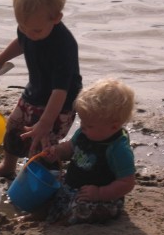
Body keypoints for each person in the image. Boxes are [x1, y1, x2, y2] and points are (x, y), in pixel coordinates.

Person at [0, 0, 82, 178]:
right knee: (13, 127)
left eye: (36, 31)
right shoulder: (29, 26)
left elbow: (60, 91)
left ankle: (50, 175)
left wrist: (45, 123)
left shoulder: (63, 46)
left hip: (59, 104)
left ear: (56, 18)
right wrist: (1, 59)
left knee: (43, 141)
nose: (29, 33)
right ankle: (8, 166)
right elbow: (21, 41)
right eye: (22, 26)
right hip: (34, 92)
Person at [42, 78, 136, 225]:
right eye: (82, 122)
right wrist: (57, 151)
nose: (83, 127)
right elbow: (71, 148)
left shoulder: (118, 149)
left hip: (100, 198)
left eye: (89, 125)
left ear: (113, 127)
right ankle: (43, 213)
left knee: (83, 209)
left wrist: (99, 193)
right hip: (73, 186)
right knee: (49, 184)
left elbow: (127, 182)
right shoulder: (84, 132)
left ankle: (61, 222)